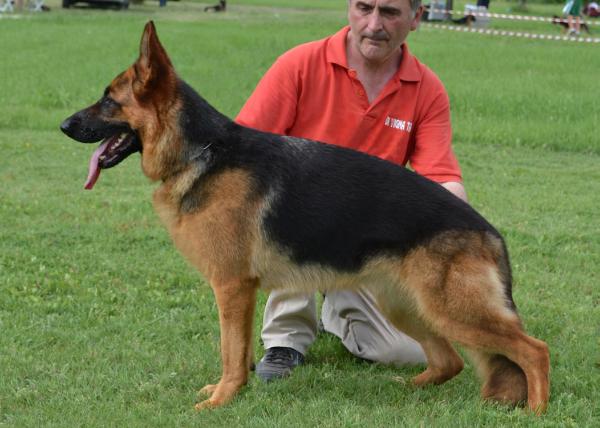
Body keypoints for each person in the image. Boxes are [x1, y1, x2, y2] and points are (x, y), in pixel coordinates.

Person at [236, 0, 468, 382]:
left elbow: (442, 182)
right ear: (349, 8)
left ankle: (338, 309)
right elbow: (244, 151)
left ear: (416, 18)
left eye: (390, 13)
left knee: (403, 352)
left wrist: (463, 251)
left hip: (369, 245)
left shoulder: (426, 89)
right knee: (296, 205)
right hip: (295, 223)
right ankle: (285, 339)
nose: (374, 24)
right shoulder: (299, 65)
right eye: (364, 7)